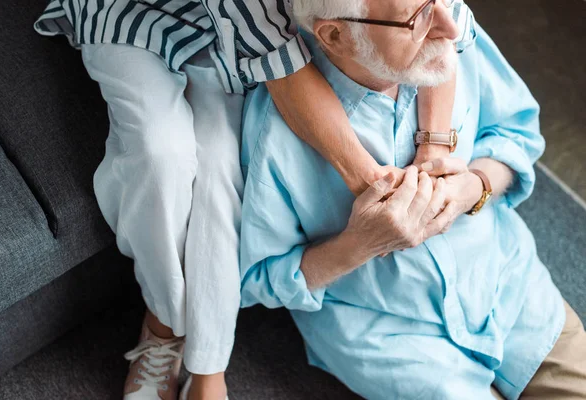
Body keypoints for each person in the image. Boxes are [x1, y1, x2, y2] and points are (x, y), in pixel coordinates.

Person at [33, 0, 475, 399]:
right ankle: (164, 327)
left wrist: (433, 154)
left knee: (217, 162)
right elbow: (281, 64)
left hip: (238, 34)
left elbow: (451, 25)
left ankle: (207, 368)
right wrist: (376, 189)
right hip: (134, 15)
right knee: (160, 155)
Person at [239, 0, 586, 399]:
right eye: (416, 16)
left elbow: (516, 134)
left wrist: (475, 187)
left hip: (506, 285)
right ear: (335, 35)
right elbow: (260, 278)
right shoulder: (274, 139)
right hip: (392, 337)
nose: (449, 27)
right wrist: (359, 245)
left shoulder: (451, 36)